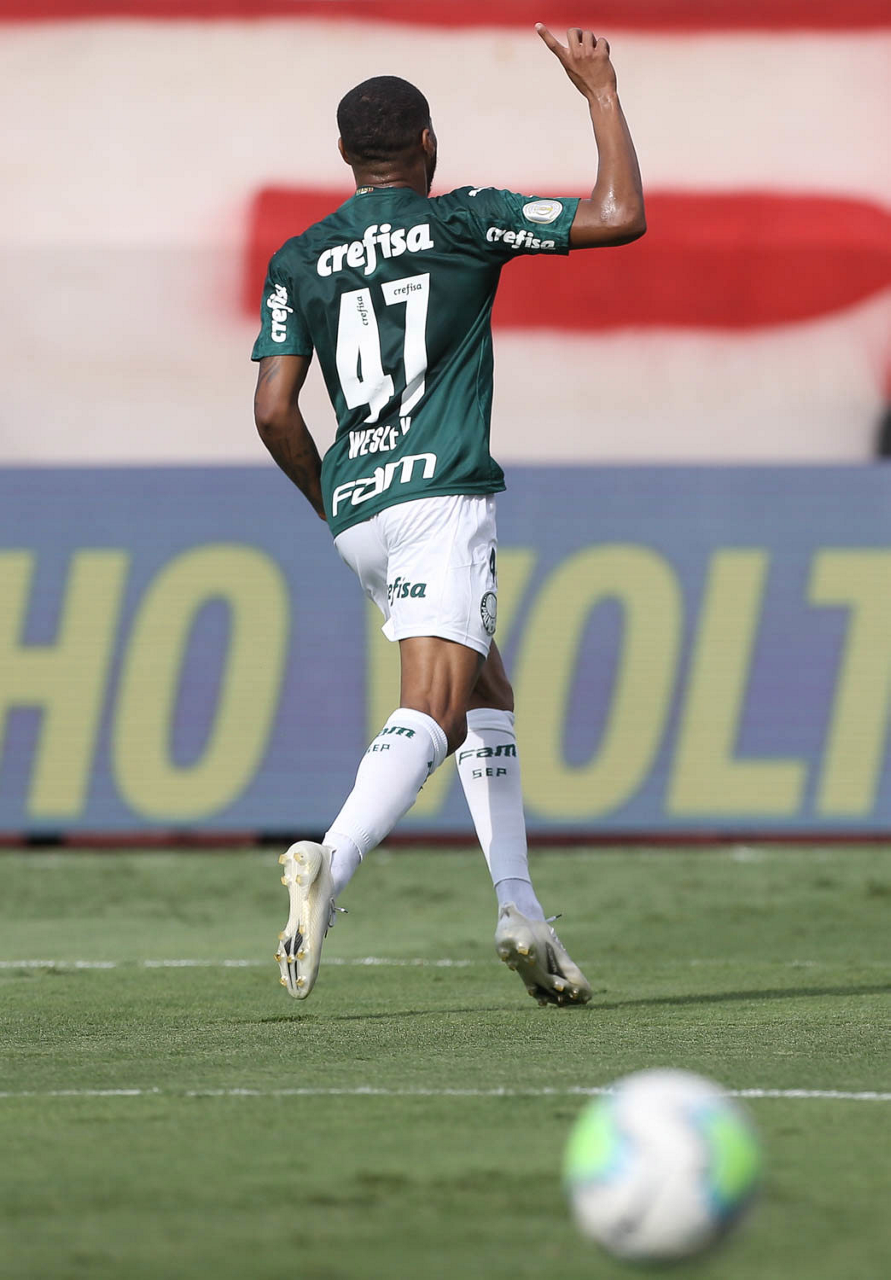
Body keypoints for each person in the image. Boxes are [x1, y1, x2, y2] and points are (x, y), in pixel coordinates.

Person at [252, 25, 645, 1004]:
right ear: (426, 142)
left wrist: (331, 498)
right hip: (439, 495)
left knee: (482, 685)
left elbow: (272, 409)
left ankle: (521, 908)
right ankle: (331, 858)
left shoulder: (300, 257)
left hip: (358, 506)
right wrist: (598, 89)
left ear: (346, 156)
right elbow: (618, 216)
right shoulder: (466, 220)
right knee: (433, 701)